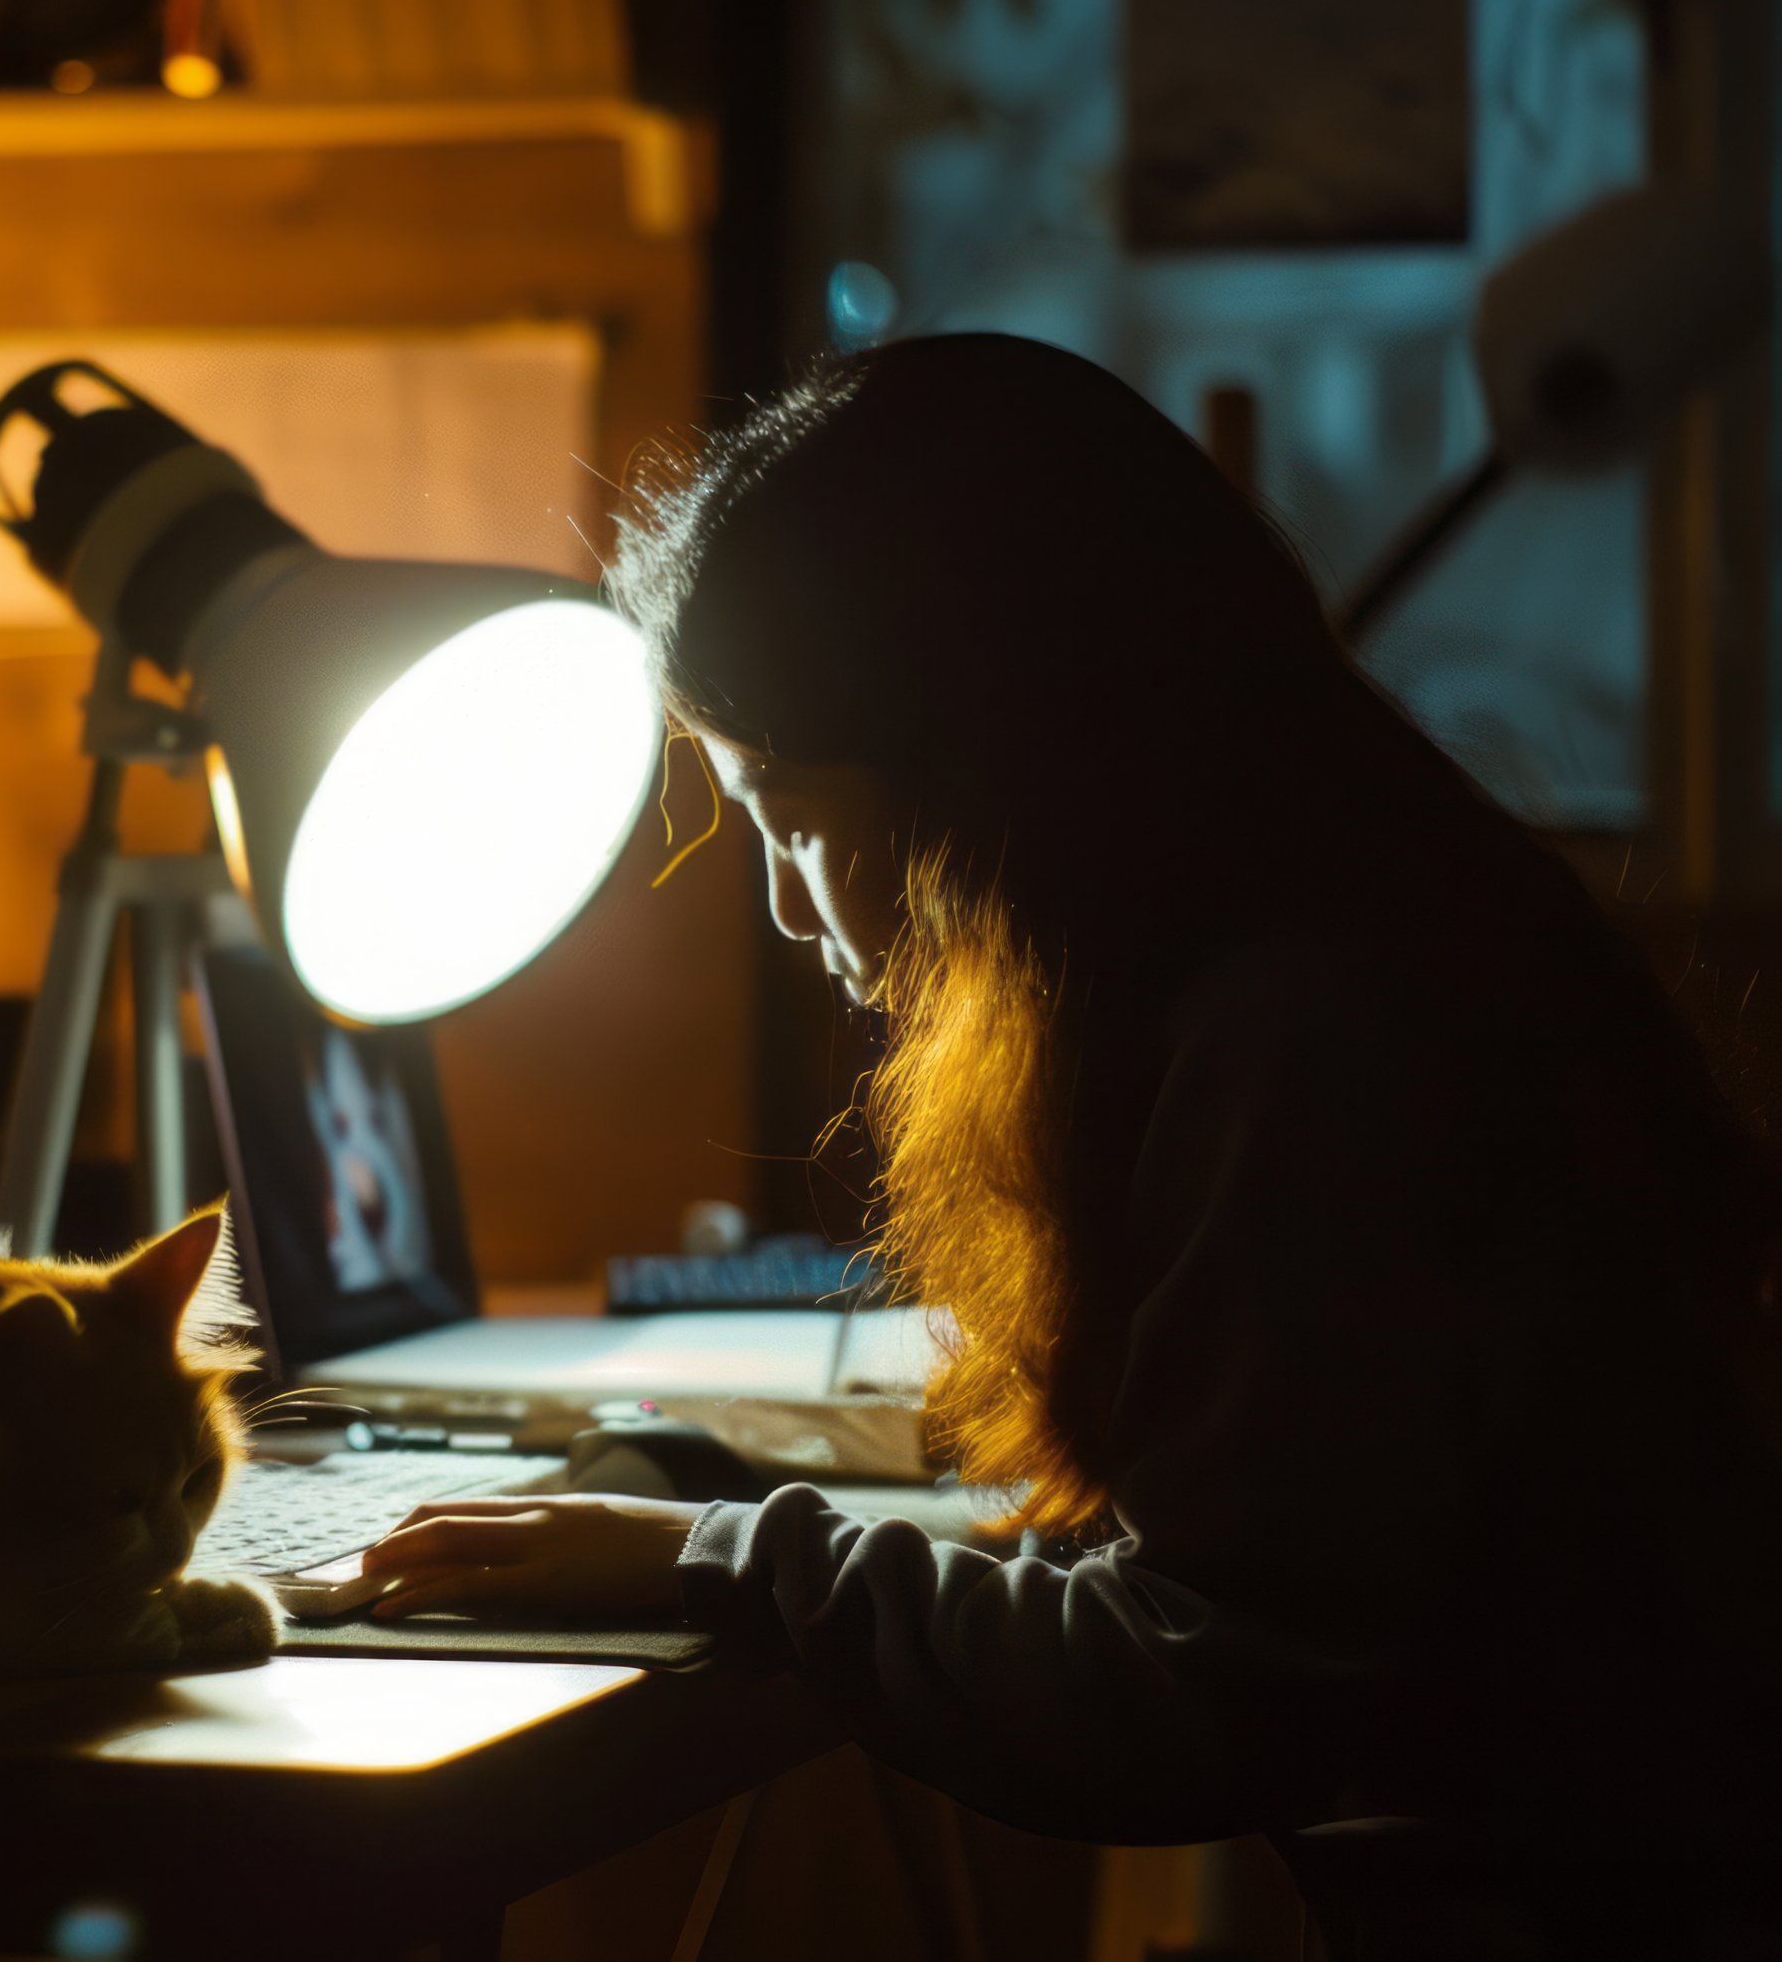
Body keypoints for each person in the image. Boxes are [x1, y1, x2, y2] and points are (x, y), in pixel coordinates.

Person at [359, 336, 1782, 1956]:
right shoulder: (1371, 937)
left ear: (990, 760)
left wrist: (726, 1559)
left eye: (795, 818)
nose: (784, 905)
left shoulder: (1318, 1047)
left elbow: (1192, 1689)